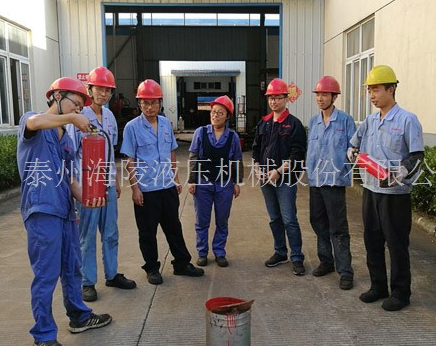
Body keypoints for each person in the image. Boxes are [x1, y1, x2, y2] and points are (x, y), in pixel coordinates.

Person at [17, 77, 112, 346]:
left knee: (72, 268)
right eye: (76, 104)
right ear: (57, 96)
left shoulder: (66, 139)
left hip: (65, 211)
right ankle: (44, 334)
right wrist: (70, 118)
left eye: (81, 107)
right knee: (46, 274)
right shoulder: (33, 122)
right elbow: (35, 123)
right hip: (42, 210)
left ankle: (79, 316)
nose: (79, 110)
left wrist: (87, 198)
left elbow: (68, 178)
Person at [348, 65, 424, 311]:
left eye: (376, 89)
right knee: (372, 241)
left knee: (396, 244)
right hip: (371, 191)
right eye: (369, 90)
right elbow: (354, 144)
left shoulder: (407, 120)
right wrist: (352, 152)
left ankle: (401, 293)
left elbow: (417, 157)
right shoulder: (370, 121)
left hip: (394, 195)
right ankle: (378, 286)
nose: (372, 95)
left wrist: (400, 172)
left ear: (391, 89)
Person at [121, 79, 204, 285]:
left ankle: (182, 264)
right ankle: (152, 268)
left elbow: (171, 152)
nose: (149, 107)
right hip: (146, 189)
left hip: (167, 187)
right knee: (147, 232)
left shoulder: (166, 124)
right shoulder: (132, 127)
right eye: (145, 103)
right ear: (139, 103)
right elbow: (129, 160)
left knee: (174, 227)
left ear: (160, 102)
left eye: (153, 102)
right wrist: (135, 189)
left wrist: (175, 178)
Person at [67, 67, 136, 302]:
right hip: (87, 185)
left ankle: (112, 274)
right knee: (87, 235)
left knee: (111, 232)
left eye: (108, 90)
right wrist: (76, 187)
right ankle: (87, 282)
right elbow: (70, 154)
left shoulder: (109, 117)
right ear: (90, 90)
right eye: (100, 89)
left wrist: (114, 179)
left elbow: (110, 152)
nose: (104, 94)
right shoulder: (78, 117)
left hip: (106, 183)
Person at [252, 78, 307, 275]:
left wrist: (278, 171)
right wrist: (257, 169)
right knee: (274, 218)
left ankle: (297, 257)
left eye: (277, 98)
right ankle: (280, 252)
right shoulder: (264, 123)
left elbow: (297, 154)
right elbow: (256, 149)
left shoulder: (294, 124)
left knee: (289, 218)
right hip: (266, 180)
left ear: (286, 98)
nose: (273, 102)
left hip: (285, 180)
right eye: (271, 98)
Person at [307, 76, 357, 290]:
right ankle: (326, 261)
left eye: (325, 94)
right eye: (318, 94)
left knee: (338, 228)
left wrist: (352, 154)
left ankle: (345, 271)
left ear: (334, 97)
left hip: (335, 182)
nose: (320, 98)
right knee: (318, 223)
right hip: (316, 182)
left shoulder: (345, 121)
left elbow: (354, 148)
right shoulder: (313, 122)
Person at [187, 96, 244, 267]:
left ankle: (219, 252)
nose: (215, 116)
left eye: (220, 113)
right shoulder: (201, 132)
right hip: (203, 183)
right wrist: (192, 180)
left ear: (228, 116)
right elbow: (193, 157)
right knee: (202, 221)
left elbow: (237, 160)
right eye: (213, 112)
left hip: (224, 184)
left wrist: (237, 182)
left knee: (222, 220)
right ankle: (202, 253)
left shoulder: (233, 137)